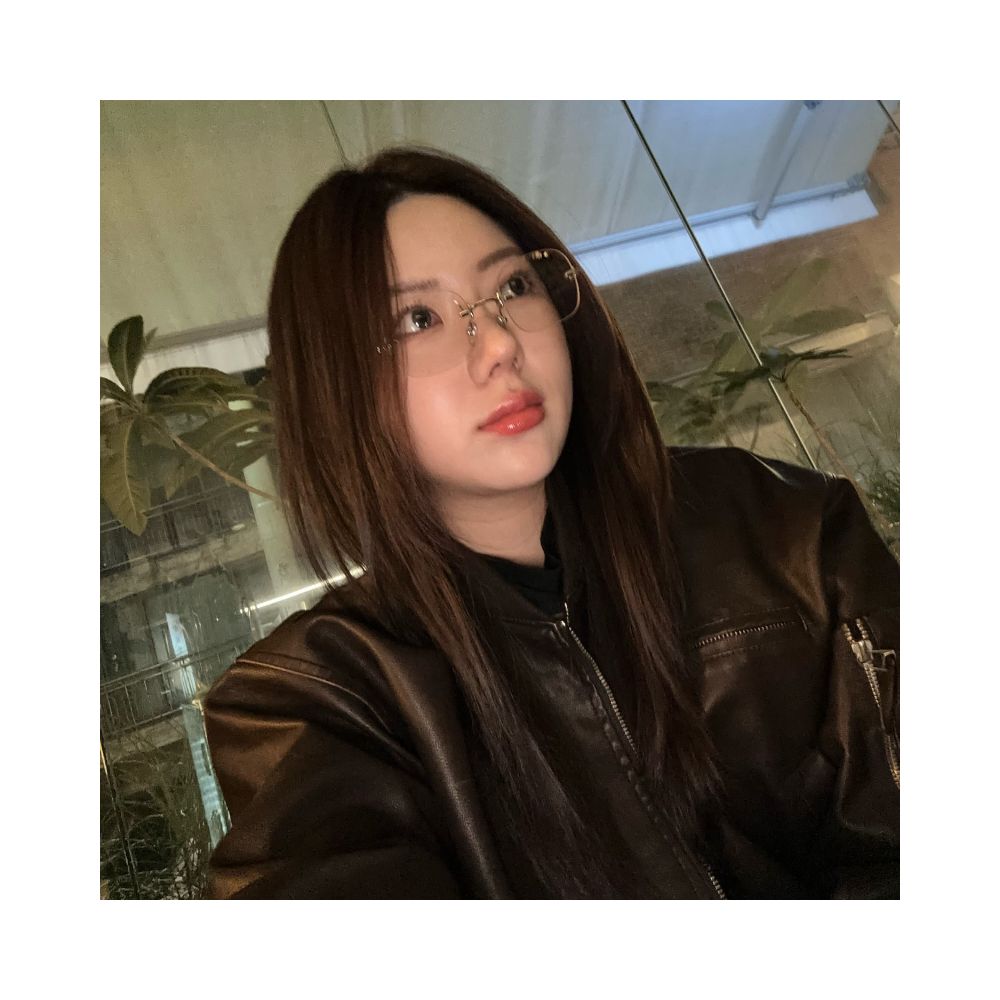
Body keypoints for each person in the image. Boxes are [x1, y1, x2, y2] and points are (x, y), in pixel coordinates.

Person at [203, 147, 899, 899]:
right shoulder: (316, 700)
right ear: (336, 386)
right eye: (417, 318)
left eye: (513, 286)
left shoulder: (776, 522)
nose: (501, 343)